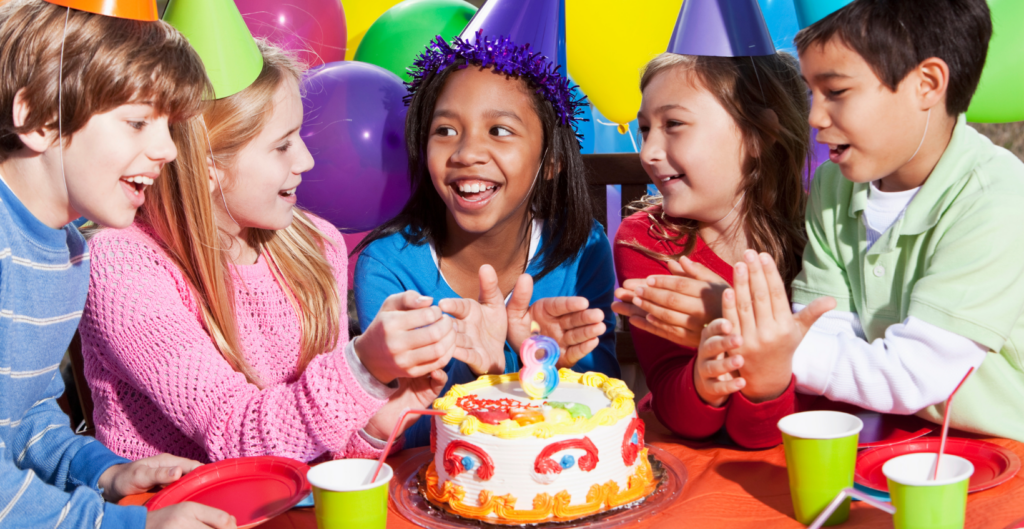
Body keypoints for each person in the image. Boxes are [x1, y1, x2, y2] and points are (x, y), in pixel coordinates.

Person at [79, 39, 457, 464]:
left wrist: (375, 424)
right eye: (283, 145)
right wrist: (362, 368)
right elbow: (237, 439)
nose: (307, 160)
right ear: (207, 167)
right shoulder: (123, 265)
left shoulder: (315, 245)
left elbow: (318, 455)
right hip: (171, 517)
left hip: (285, 518)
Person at [0, 1, 237, 529]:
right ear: (38, 118)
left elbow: (21, 419)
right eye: (137, 122)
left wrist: (103, 472)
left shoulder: (67, 254)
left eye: (169, 126)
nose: (168, 150)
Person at [719, 0, 1024, 442]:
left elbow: (911, 375)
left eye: (837, 92)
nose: (814, 117)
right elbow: (824, 327)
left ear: (928, 83)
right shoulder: (833, 187)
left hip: (1007, 456)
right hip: (891, 438)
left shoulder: (997, 198)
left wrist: (767, 346)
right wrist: (783, 344)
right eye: (811, 92)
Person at [355, 33, 619, 448]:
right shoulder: (389, 268)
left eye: (498, 130)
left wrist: (541, 364)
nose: (466, 152)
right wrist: (487, 371)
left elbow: (605, 409)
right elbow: (402, 431)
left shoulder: (582, 250)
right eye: (445, 130)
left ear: (549, 162)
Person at [613, 50, 832, 449]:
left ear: (757, 135)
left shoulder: (824, 230)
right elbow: (676, 406)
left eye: (674, 124)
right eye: (646, 129)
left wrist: (729, 325)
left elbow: (774, 429)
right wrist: (702, 380)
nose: (647, 152)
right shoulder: (645, 240)